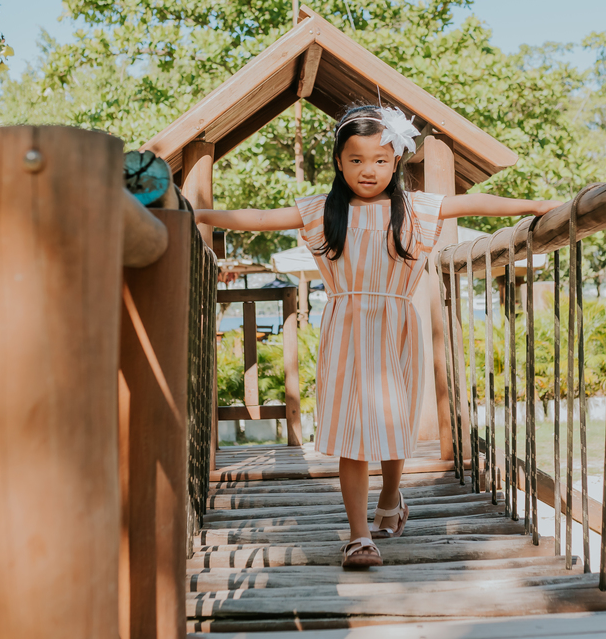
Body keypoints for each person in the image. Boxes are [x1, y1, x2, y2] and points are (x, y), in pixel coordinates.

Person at [195, 105, 561, 569]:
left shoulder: (414, 208)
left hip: (396, 328)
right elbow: (260, 217)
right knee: (352, 434)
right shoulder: (321, 211)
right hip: (346, 328)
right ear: (339, 162)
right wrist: (197, 213)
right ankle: (359, 535)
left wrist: (533, 207)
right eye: (356, 160)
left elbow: (473, 204)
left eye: (381, 160)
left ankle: (390, 497)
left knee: (391, 426)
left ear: (396, 163)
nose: (368, 170)